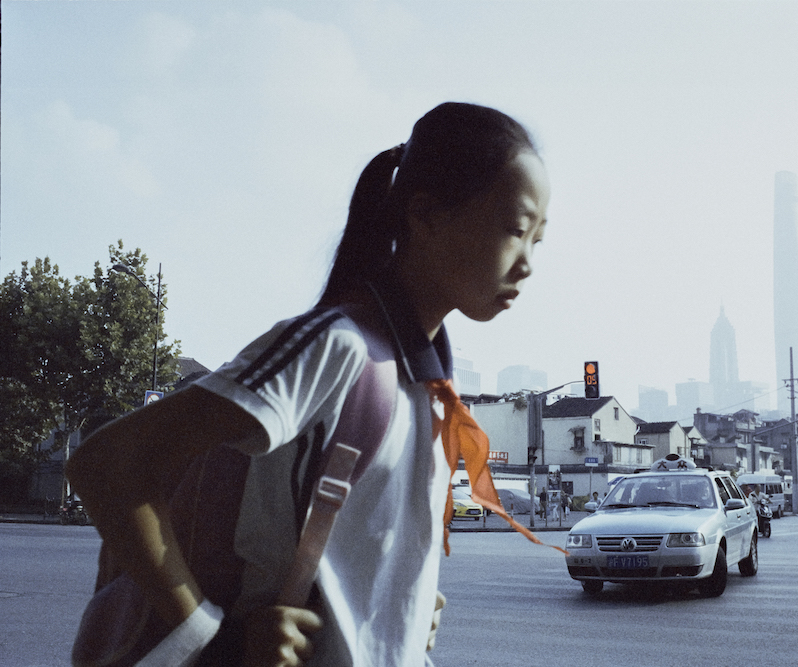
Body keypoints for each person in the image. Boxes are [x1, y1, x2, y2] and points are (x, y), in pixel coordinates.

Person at [66, 102, 551, 667]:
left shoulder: (430, 385)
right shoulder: (337, 348)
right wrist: (212, 634)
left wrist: (399, 606)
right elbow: (108, 464)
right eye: (516, 231)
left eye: (538, 240)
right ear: (426, 215)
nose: (528, 264)